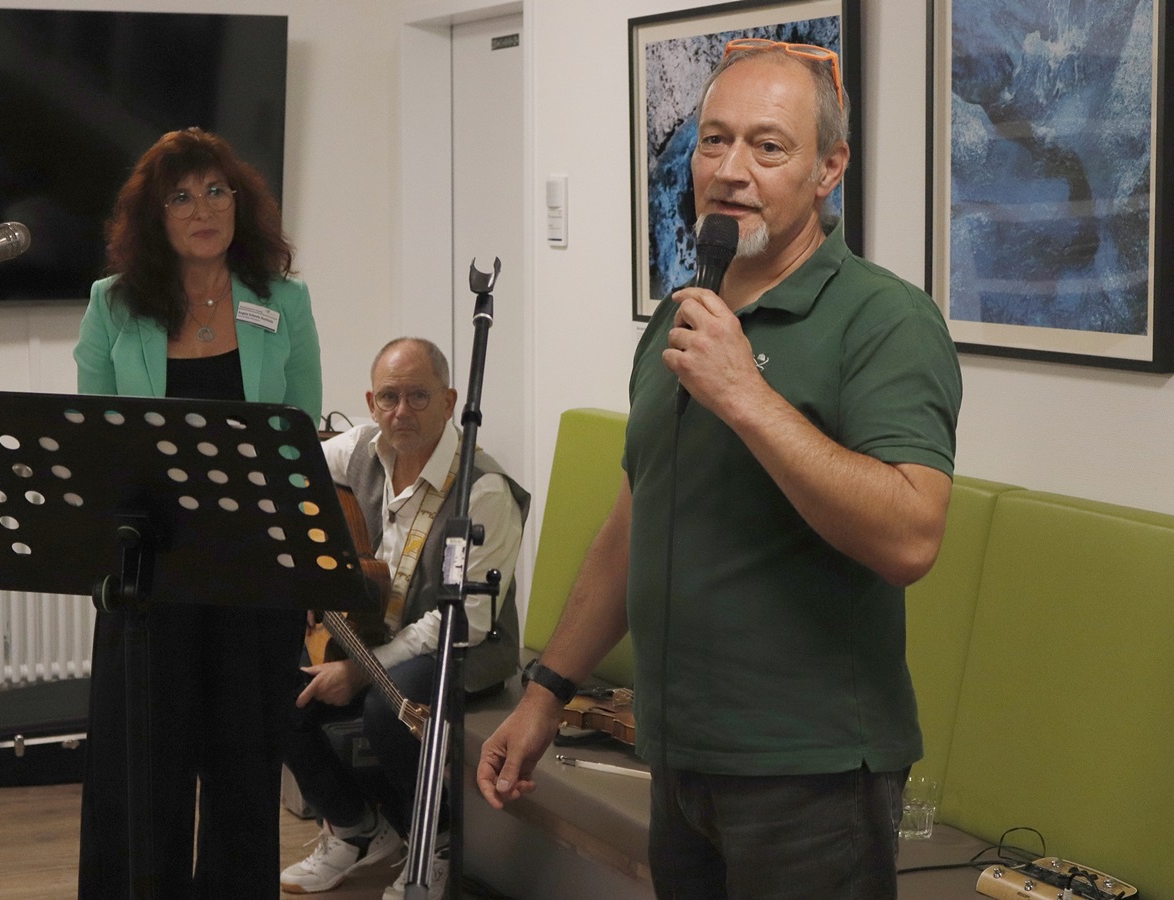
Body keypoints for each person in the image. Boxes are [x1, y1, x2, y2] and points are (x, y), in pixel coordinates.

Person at [477, 39, 963, 900]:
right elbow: (637, 523)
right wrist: (548, 692)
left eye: (768, 147)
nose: (732, 170)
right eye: (713, 140)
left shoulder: (885, 320)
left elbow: (910, 536)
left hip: (808, 775)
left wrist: (747, 395)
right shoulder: (680, 316)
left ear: (828, 168)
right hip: (677, 754)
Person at [73, 126, 322, 898]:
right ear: (155, 215)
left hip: (250, 573)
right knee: (139, 769)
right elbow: (92, 440)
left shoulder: (283, 300)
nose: (203, 208)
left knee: (244, 769)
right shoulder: (113, 306)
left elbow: (300, 433)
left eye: (217, 190)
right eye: (180, 196)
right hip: (146, 574)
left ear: (240, 203)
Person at [280, 337, 528, 900]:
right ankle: (356, 829)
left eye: (419, 397)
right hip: (377, 632)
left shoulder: (484, 490)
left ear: (450, 399)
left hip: (460, 647)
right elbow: (290, 463)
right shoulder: (364, 447)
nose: (402, 412)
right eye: (389, 397)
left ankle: (435, 842)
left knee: (390, 707)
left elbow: (459, 623)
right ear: (370, 402)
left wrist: (363, 671)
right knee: (269, 680)